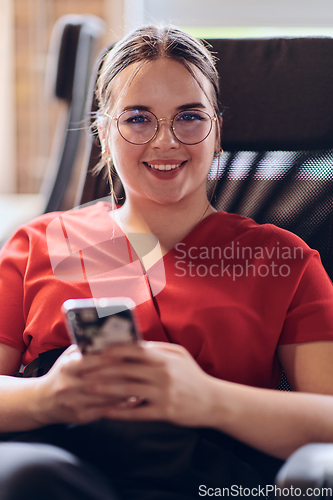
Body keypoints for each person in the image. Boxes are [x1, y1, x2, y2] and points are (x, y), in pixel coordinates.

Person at [0, 24, 333, 500]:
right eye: (137, 118)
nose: (165, 142)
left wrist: (208, 399)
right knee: (23, 477)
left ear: (217, 132)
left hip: (205, 474)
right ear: (103, 133)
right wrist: (48, 395)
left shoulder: (284, 260)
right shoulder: (38, 242)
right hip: (61, 462)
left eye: (189, 117)